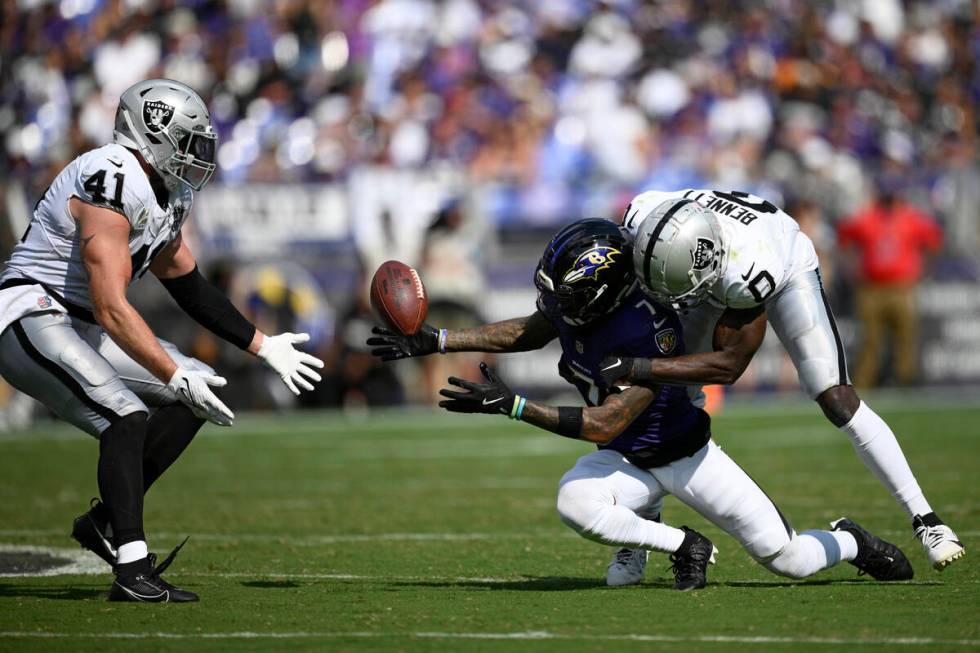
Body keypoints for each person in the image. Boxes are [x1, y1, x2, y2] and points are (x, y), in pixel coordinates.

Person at [368, 219, 913, 589]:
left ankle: (850, 541)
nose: (555, 306)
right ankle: (681, 543)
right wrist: (435, 340)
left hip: (685, 459)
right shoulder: (585, 304)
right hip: (628, 461)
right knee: (574, 503)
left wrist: (512, 406)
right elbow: (530, 331)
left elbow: (605, 420)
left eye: (565, 296)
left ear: (602, 294)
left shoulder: (649, 335)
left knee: (788, 559)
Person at [0, 79, 324, 602]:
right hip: (32, 314)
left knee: (196, 389)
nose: (199, 157)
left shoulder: (165, 193)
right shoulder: (110, 175)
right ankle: (132, 569)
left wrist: (264, 346)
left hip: (82, 323)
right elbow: (110, 306)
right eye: (189, 142)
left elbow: (190, 287)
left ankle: (106, 521)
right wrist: (171, 371)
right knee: (124, 414)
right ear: (153, 132)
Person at [604, 189, 963, 571]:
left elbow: (728, 365)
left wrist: (640, 367)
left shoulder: (751, 269)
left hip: (784, 264)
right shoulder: (645, 215)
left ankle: (927, 520)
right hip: (713, 262)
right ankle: (643, 528)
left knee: (836, 397)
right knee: (661, 396)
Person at [837, 183, 943, 387]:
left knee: (905, 336)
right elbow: (844, 239)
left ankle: (905, 379)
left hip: (901, 286)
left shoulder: (911, 218)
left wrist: (923, 271)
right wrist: (852, 270)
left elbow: (934, 241)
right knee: (870, 339)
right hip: (871, 288)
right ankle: (865, 382)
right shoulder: (866, 217)